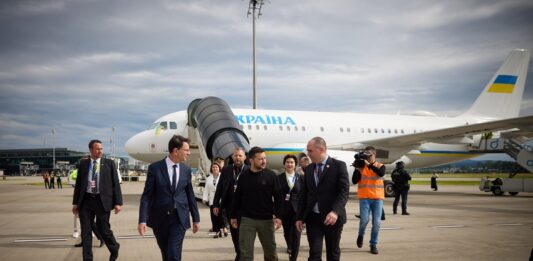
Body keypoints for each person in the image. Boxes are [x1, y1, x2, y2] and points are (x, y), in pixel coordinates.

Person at [138, 135, 200, 261]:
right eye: (186, 150)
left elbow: (190, 195)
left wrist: (196, 218)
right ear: (176, 151)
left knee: (173, 254)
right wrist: (142, 220)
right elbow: (147, 196)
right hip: (160, 219)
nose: (188, 153)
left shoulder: (186, 170)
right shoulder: (155, 168)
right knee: (166, 253)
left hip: (179, 218)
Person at [296, 137, 349, 261]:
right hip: (313, 218)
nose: (308, 154)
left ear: (321, 150)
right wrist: (299, 217)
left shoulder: (338, 166)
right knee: (314, 254)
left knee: (333, 253)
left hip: (332, 218)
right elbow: (304, 195)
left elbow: (344, 192)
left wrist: (335, 211)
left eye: (310, 151)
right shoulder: (309, 169)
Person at [72, 139, 123, 261]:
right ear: (91, 150)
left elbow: (116, 183)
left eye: (101, 148)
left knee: (103, 230)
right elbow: (78, 185)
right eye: (97, 149)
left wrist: (118, 202)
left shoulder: (109, 163)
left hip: (102, 201)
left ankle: (114, 248)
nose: (100, 151)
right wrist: (75, 203)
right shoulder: (83, 164)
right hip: (86, 201)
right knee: (86, 232)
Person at [230, 146, 283, 261]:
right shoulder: (244, 177)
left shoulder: (271, 176)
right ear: (251, 160)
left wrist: (279, 216)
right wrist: (233, 216)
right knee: (245, 254)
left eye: (264, 158)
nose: (264, 161)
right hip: (247, 220)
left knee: (271, 253)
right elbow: (237, 197)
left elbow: (279, 197)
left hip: (267, 220)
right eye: (260, 159)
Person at [213, 147, 249, 261]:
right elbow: (219, 188)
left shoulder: (249, 171)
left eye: (240, 155)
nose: (237, 158)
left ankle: (241, 255)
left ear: (244, 157)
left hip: (245, 209)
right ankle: (239, 253)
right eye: (235, 155)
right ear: (232, 157)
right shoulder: (226, 170)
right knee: (234, 234)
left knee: (243, 235)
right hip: (230, 208)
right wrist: (215, 204)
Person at [352, 146, 386, 255]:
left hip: (377, 198)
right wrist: (357, 168)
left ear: (374, 155)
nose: (367, 157)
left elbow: (380, 174)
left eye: (369, 155)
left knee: (376, 223)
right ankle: (361, 235)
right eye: (366, 155)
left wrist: (369, 164)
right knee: (364, 221)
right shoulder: (361, 167)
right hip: (365, 198)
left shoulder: (381, 166)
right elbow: (354, 180)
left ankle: (373, 244)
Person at [277, 154, 304, 261]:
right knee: (287, 233)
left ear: (295, 165)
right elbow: (276, 196)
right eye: (287, 162)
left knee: (297, 235)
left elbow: (304, 195)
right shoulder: (278, 178)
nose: (289, 164)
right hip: (284, 210)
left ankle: (293, 258)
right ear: (284, 164)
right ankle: (290, 246)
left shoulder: (301, 178)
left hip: (298, 211)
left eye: (292, 162)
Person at [203, 162, 226, 238]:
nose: (215, 168)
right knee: (214, 216)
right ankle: (217, 231)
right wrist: (205, 198)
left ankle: (224, 228)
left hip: (221, 200)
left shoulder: (222, 177)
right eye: (213, 167)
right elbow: (206, 189)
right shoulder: (208, 178)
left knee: (221, 215)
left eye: (216, 167)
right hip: (212, 200)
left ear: (219, 168)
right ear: (211, 169)